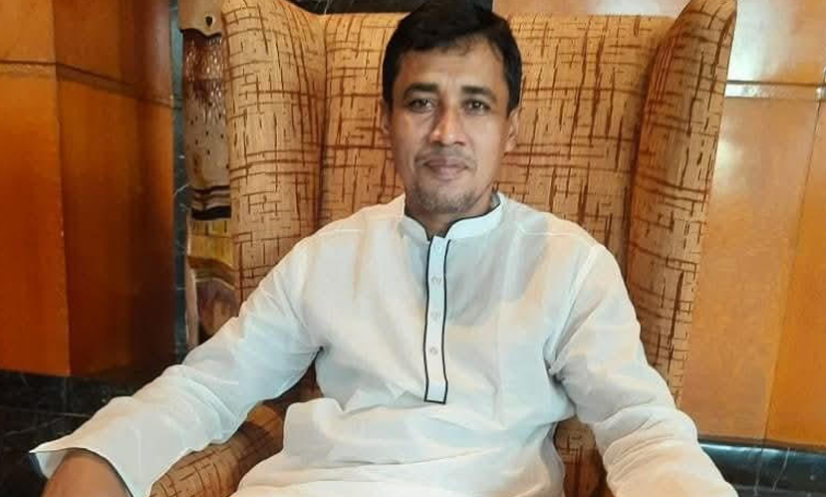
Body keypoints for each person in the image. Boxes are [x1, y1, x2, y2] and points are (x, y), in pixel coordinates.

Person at [33, 1, 736, 496]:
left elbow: (640, 426)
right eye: (421, 102)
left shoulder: (570, 265)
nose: (447, 132)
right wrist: (105, 452)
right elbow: (213, 382)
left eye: (476, 105)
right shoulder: (328, 258)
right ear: (386, 121)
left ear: (511, 128)